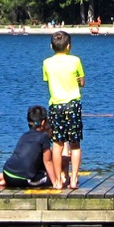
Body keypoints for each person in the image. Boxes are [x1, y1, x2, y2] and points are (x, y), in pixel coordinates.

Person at [43, 29, 85, 189]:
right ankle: (73, 180)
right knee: (75, 144)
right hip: (73, 104)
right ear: (69, 46)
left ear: (51, 46)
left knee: (57, 144)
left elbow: (47, 80)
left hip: (56, 105)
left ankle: (58, 181)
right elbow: (82, 82)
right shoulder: (75, 61)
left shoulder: (47, 63)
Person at [0, 105, 63, 190]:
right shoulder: (43, 137)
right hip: (23, 179)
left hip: (7, 172)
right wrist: (55, 182)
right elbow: (48, 162)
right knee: (47, 177)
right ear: (43, 122)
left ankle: (3, 180)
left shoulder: (24, 135)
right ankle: (4, 180)